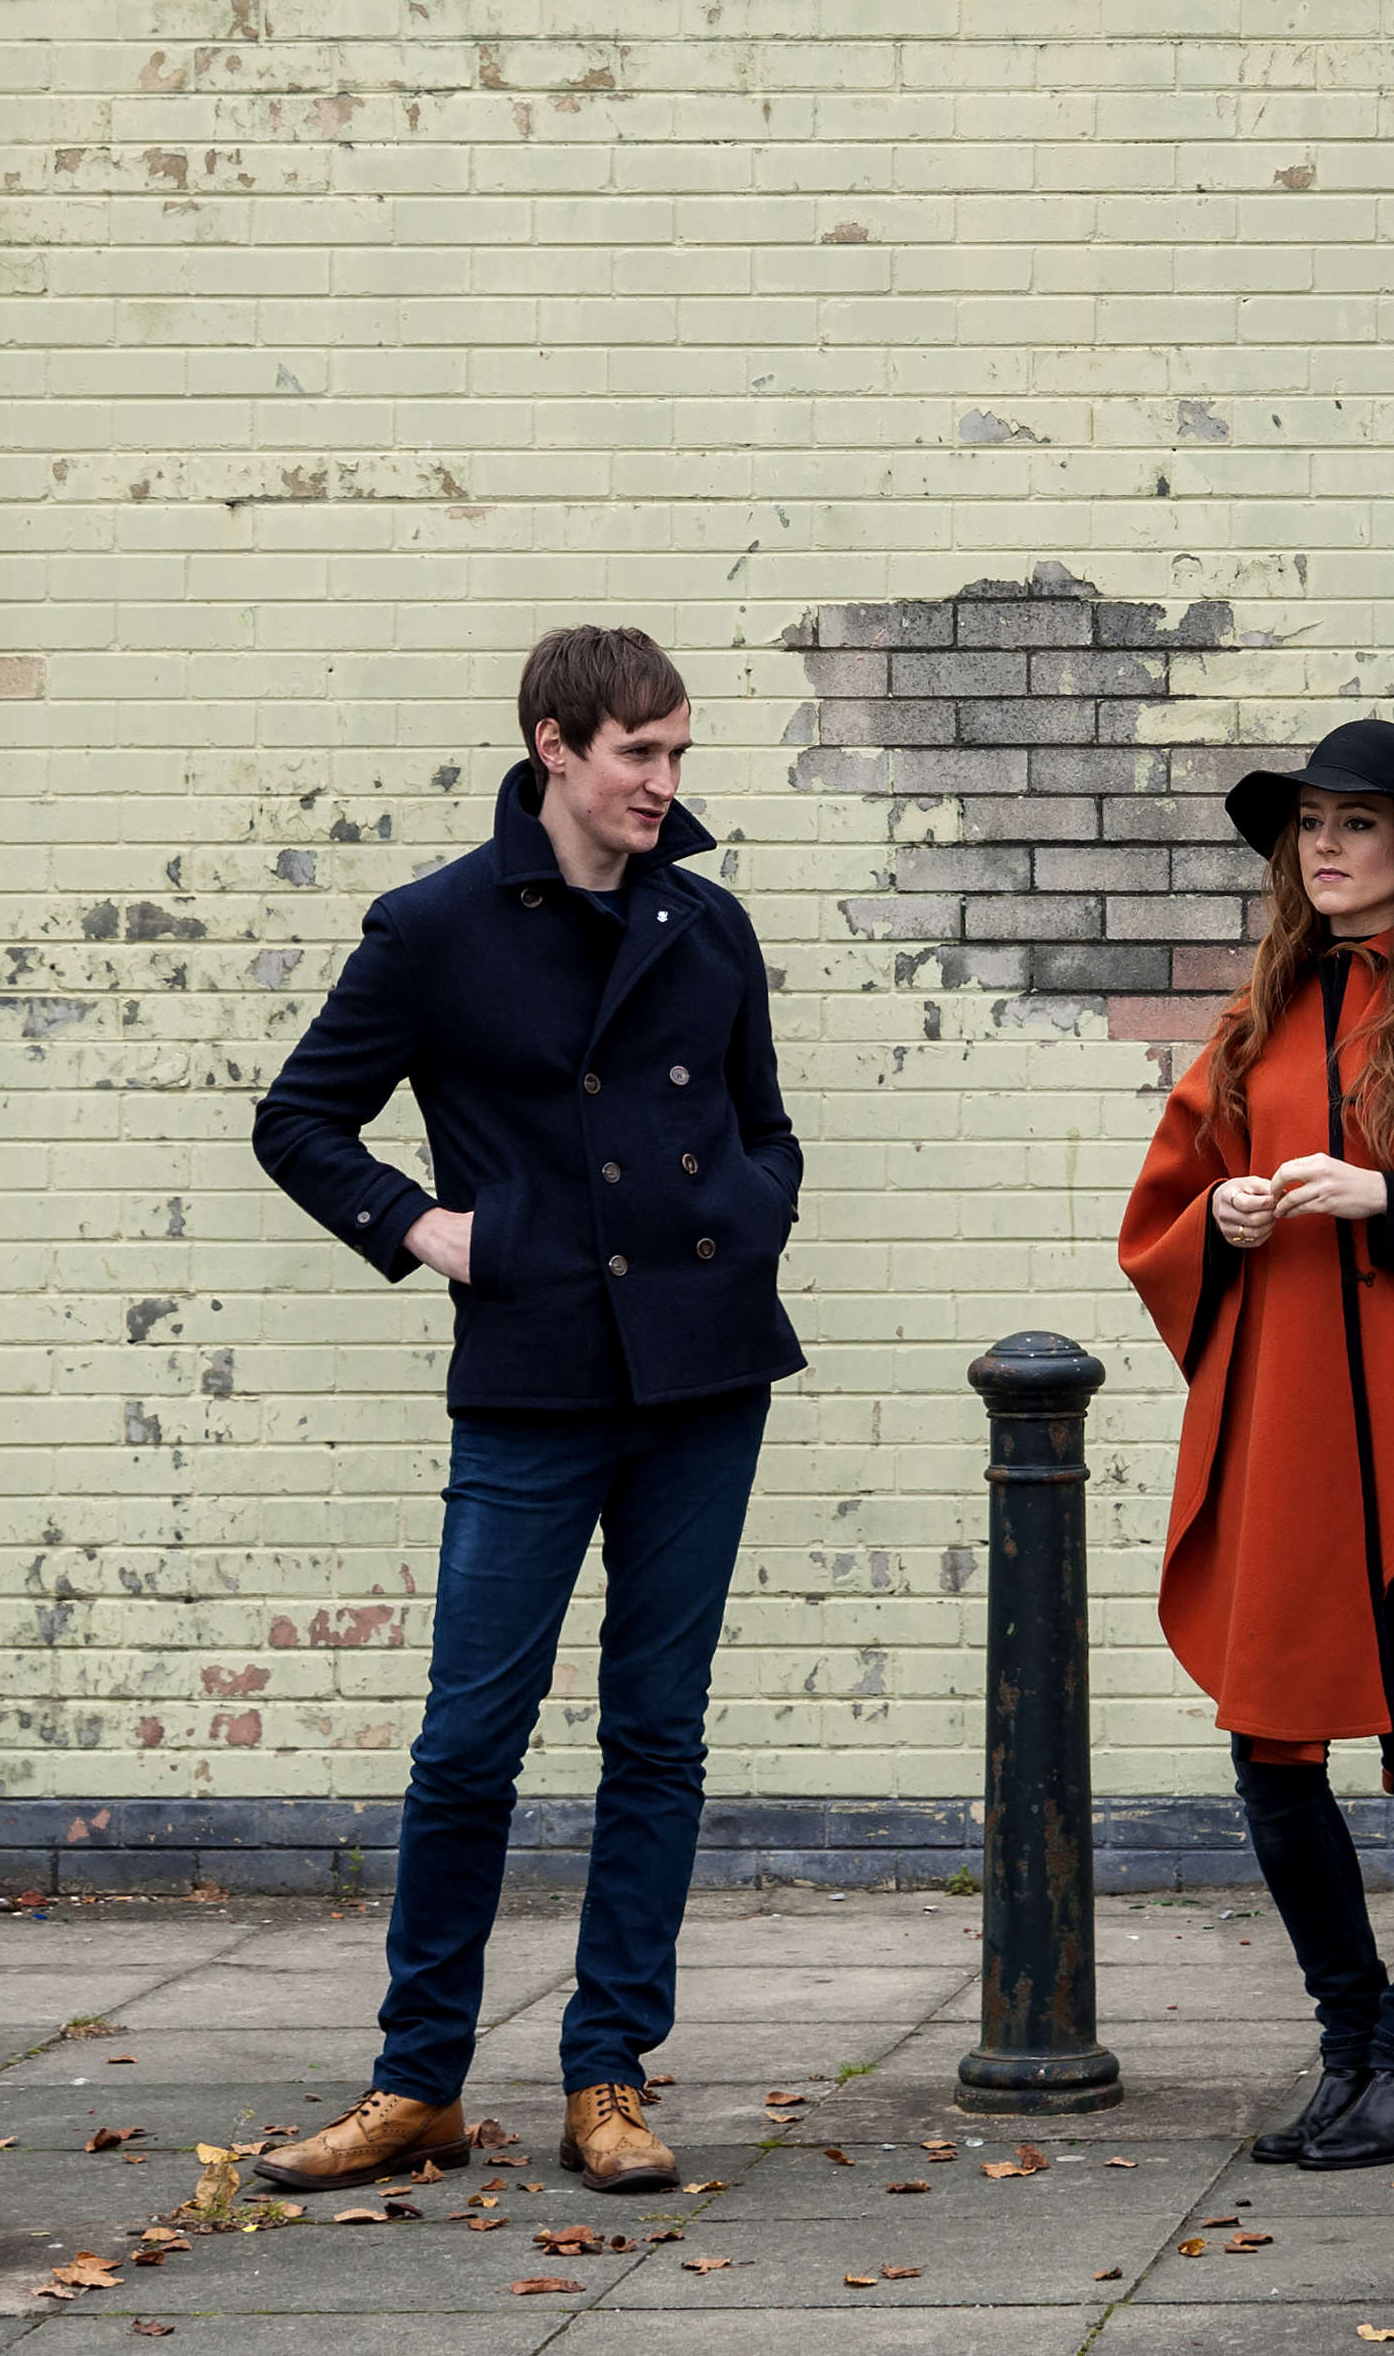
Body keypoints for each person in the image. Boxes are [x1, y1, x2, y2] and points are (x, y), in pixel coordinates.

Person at [245, 627, 800, 2205]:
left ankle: (607, 2073)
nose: (664, 783)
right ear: (555, 746)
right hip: (535, 1373)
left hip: (703, 1373)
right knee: (467, 1741)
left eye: (679, 754)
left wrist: (749, 1213)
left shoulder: (708, 924)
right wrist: (430, 1230)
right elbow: (298, 1119)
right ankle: (417, 2081)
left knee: (656, 1735)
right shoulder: (435, 927)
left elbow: (765, 1128)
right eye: (639, 754)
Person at [1114, 718, 1394, 2175]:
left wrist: (1393, 1198)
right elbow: (1164, 1209)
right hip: (1289, 1430)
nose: (1323, 846)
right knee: (1270, 1749)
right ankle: (1351, 2039)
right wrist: (1223, 1217)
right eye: (1308, 823)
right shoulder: (1257, 1018)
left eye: (1355, 822)